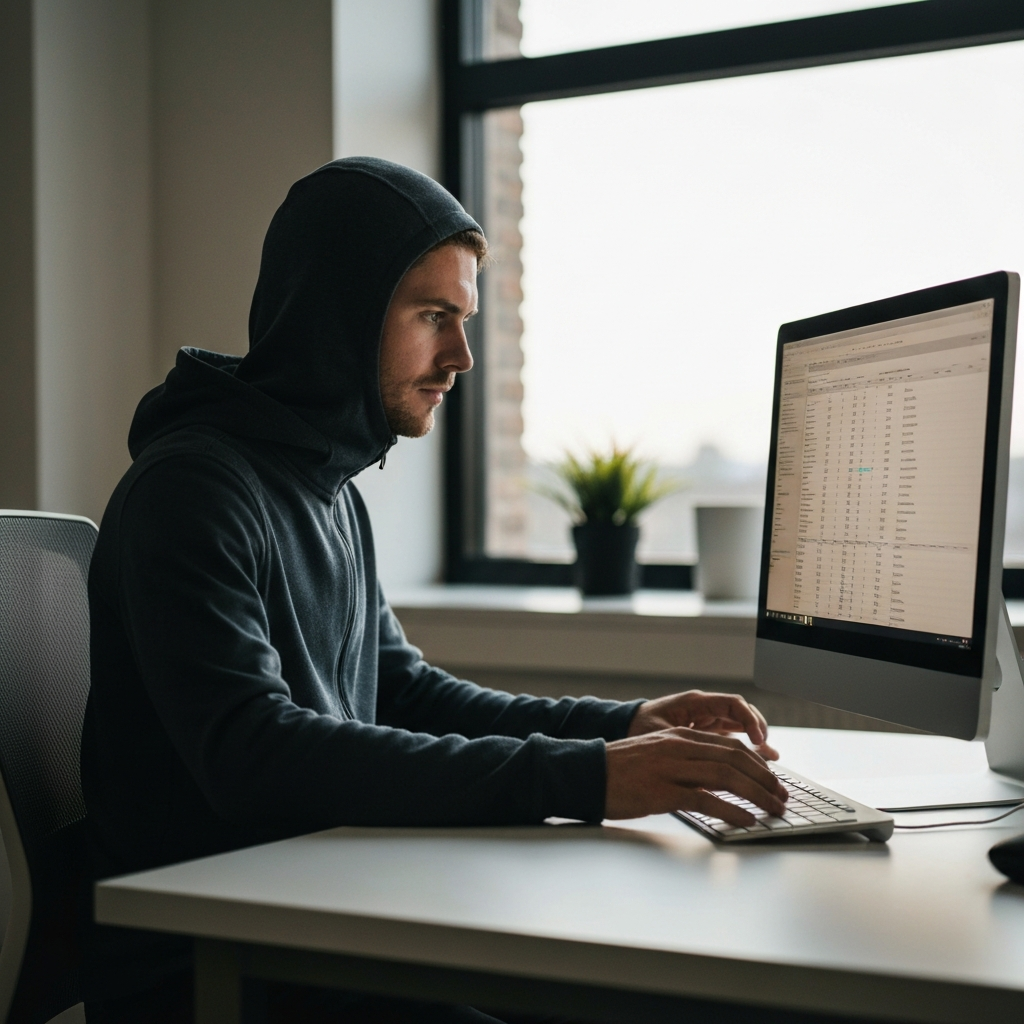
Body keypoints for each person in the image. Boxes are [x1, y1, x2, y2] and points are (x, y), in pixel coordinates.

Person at [80, 157, 787, 1023]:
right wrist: (589, 779)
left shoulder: (328, 490)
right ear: (338, 315)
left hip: (316, 912)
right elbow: (254, 755)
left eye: (464, 320)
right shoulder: (192, 492)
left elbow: (404, 693)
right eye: (432, 316)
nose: (460, 357)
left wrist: (623, 727)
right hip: (212, 962)